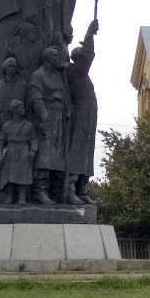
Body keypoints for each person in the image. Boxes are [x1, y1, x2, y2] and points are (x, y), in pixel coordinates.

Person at [27, 46, 68, 204]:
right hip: (46, 116)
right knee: (44, 156)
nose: (58, 58)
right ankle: (39, 191)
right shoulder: (38, 75)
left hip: (58, 116)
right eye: (55, 56)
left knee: (57, 157)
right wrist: (44, 118)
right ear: (47, 58)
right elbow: (36, 98)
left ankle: (54, 192)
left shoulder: (57, 75)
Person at [67, 19, 99, 205]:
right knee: (78, 151)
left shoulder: (82, 75)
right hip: (80, 115)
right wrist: (89, 34)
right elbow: (88, 55)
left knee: (87, 151)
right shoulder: (75, 72)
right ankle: (71, 189)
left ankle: (82, 189)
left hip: (88, 116)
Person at [0, 99, 38, 205]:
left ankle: (22, 197)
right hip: (11, 151)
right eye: (21, 108)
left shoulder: (28, 125)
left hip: (23, 150)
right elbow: (1, 139)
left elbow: (34, 139)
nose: (23, 110)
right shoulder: (7, 126)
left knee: (23, 175)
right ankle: (10, 197)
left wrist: (33, 150)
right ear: (14, 110)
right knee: (10, 175)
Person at [0, 56, 28, 132]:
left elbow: (28, 105)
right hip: (0, 122)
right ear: (5, 68)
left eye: (14, 66)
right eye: (9, 66)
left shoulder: (23, 85)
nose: (11, 69)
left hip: (18, 123)